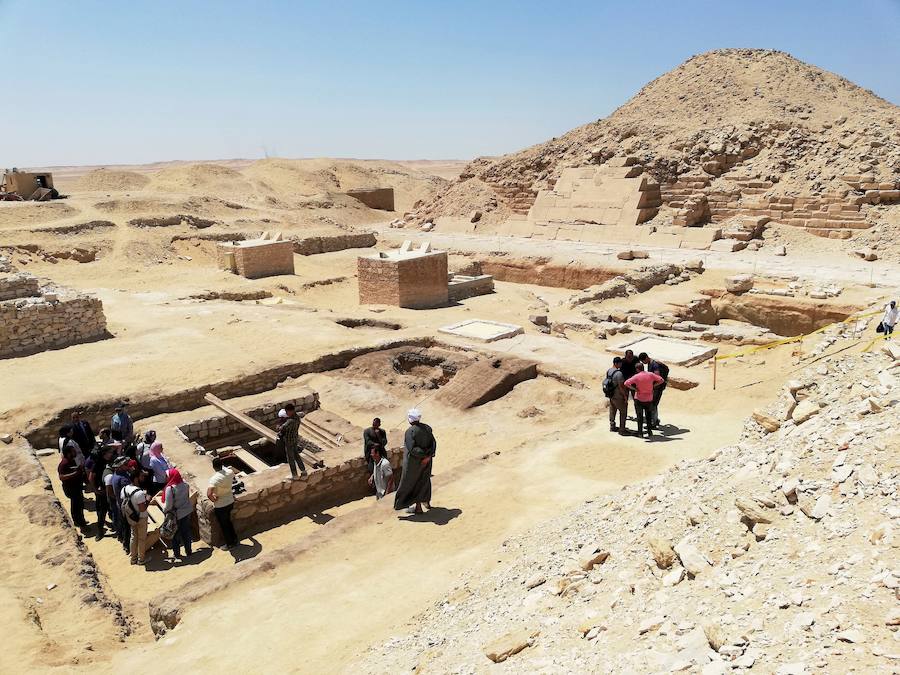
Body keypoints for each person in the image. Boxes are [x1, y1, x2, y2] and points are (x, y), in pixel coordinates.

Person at [393, 409, 437, 515]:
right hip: (427, 461)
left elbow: (412, 449)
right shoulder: (427, 428)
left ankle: (409, 505)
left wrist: (424, 456)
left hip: (413, 463)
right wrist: (429, 456)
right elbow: (433, 443)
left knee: (409, 483)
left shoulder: (410, 432)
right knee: (423, 480)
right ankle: (421, 505)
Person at [624, 363, 665, 438]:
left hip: (639, 399)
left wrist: (635, 389)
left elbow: (626, 383)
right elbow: (661, 380)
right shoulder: (650, 374)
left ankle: (640, 433)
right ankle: (649, 432)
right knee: (648, 416)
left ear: (637, 369)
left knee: (639, 417)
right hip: (649, 398)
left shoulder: (636, 376)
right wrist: (653, 386)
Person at [160, 468, 193, 559]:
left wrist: (165, 510)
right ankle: (189, 551)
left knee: (175, 534)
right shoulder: (185, 485)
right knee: (186, 532)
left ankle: (177, 554)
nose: (166, 478)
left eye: (167, 476)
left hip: (176, 515)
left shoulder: (170, 489)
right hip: (186, 512)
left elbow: (169, 505)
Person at [207, 457, 238, 549]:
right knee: (228, 522)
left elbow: (209, 494)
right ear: (222, 465)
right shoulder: (229, 472)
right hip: (230, 501)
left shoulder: (214, 479)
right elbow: (233, 474)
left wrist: (214, 500)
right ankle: (235, 539)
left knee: (224, 525)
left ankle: (230, 544)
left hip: (221, 505)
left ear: (213, 467)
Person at [86, 445, 115, 540]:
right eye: (109, 452)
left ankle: (114, 524)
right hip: (102, 492)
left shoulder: (110, 461)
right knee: (102, 512)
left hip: (110, 490)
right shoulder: (98, 463)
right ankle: (100, 531)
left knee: (112, 509)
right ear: (104, 454)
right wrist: (95, 490)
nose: (111, 454)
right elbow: (91, 477)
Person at [109, 459, 136, 552]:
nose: (127, 465)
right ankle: (127, 546)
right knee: (128, 527)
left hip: (120, 504)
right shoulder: (123, 478)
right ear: (120, 466)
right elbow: (130, 492)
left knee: (123, 524)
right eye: (125, 464)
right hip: (127, 506)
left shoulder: (115, 475)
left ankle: (121, 538)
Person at [121, 480, 149, 565]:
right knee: (141, 539)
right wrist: (147, 500)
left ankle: (133, 559)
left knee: (133, 537)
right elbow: (142, 509)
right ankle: (141, 560)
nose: (143, 478)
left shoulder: (124, 489)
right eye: (141, 477)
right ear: (136, 478)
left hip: (131, 518)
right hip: (141, 518)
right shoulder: (139, 493)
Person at [639, 352, 670, 430]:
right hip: (656, 387)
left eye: (643, 361)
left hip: (657, 388)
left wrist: (652, 386)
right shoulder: (651, 363)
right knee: (653, 404)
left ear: (646, 358)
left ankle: (654, 422)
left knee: (653, 404)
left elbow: (658, 378)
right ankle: (655, 420)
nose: (643, 363)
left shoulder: (654, 365)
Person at [58, 444, 87, 527]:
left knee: (80, 505)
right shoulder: (64, 464)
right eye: (73, 451)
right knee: (76, 507)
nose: (75, 452)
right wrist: (75, 473)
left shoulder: (71, 460)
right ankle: (80, 524)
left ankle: (81, 521)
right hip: (71, 488)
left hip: (76, 487)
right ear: (68, 453)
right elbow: (62, 477)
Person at [277, 404, 307, 479]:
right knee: (297, 456)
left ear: (291, 411)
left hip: (289, 441)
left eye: (287, 412)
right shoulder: (297, 417)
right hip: (295, 439)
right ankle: (303, 472)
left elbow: (281, 428)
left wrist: (279, 427)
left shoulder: (290, 421)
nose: (286, 413)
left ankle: (294, 475)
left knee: (290, 458)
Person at [604, 356, 628, 435]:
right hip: (618, 395)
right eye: (620, 363)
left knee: (612, 410)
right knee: (623, 411)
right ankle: (622, 429)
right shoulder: (619, 373)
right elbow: (621, 386)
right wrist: (625, 396)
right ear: (616, 363)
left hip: (611, 394)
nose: (621, 365)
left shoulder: (609, 371)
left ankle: (612, 426)